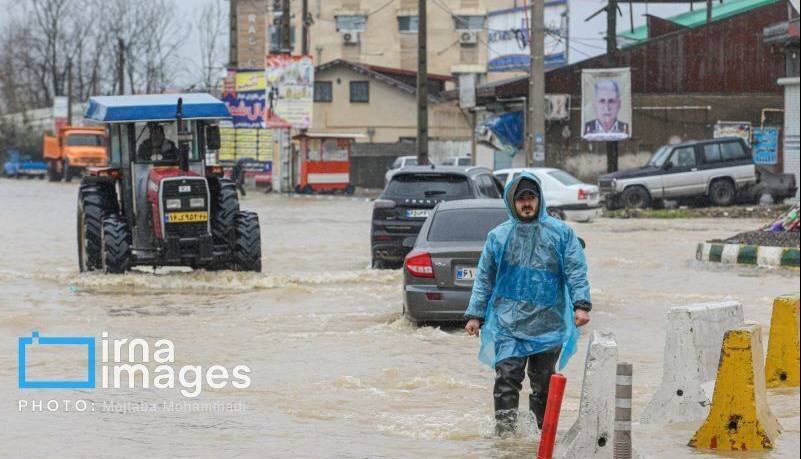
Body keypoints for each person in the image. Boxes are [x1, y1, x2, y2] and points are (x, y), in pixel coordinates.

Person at [464, 171, 592, 437]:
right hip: (507, 325)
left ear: (539, 199)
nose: (526, 203)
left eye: (531, 197)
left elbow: (576, 270)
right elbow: (484, 278)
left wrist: (581, 305)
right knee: (507, 381)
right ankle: (506, 437)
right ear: (512, 201)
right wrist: (475, 315)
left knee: (544, 385)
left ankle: (541, 437)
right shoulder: (498, 237)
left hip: (548, 324)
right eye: (520, 198)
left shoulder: (561, 233)